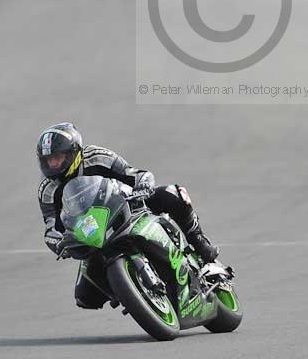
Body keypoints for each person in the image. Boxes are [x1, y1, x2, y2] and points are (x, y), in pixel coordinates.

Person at [37, 122, 219, 309]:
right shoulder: (47, 190)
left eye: (57, 158)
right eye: (48, 160)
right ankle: (131, 291)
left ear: (73, 152)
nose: (53, 164)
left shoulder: (97, 156)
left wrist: (143, 185)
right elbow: (51, 227)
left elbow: (134, 174)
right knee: (85, 297)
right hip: (92, 234)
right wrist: (58, 243)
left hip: (125, 205)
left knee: (172, 194)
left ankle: (198, 241)